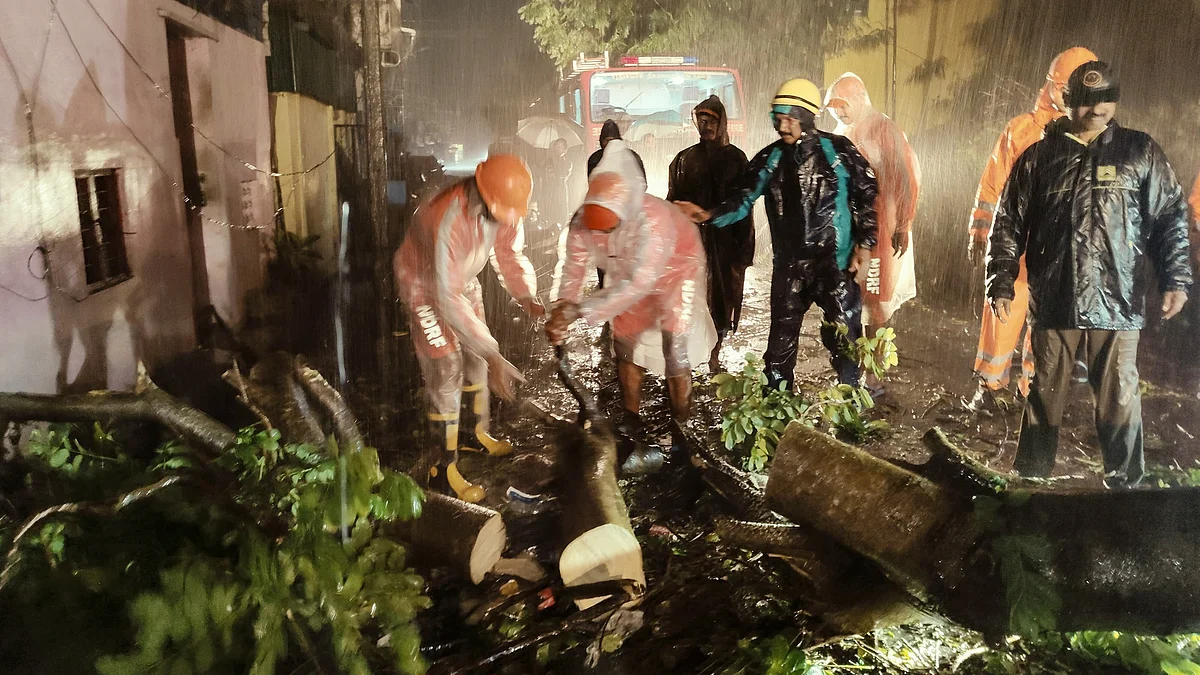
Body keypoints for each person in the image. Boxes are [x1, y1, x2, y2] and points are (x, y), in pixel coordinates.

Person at [986, 61, 1191, 489]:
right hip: (1056, 297)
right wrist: (1000, 280)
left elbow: (1171, 214)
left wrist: (1176, 277)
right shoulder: (1040, 156)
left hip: (1119, 299)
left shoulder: (1139, 151)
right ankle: (1031, 480)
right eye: (1087, 101)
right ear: (1067, 101)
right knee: (1043, 393)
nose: (1097, 110)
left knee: (1120, 397)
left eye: (1106, 100)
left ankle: (1125, 485)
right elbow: (1007, 222)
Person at [677, 79, 878, 390]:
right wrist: (708, 215)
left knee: (845, 340)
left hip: (834, 266)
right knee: (779, 350)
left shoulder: (837, 151)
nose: (783, 126)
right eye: (778, 118)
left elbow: (866, 192)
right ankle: (778, 405)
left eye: (790, 118)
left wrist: (864, 245)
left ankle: (853, 401)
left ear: (808, 116)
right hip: (790, 268)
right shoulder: (772, 158)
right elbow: (743, 198)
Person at [394, 154, 545, 503]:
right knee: (446, 367)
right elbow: (444, 297)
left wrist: (526, 295)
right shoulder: (448, 216)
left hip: (461, 281)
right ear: (483, 193)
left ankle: (474, 434)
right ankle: (442, 468)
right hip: (424, 286)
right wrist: (495, 355)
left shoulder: (504, 205)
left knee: (477, 356)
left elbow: (508, 254)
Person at [547, 140, 705, 455]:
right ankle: (631, 420)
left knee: (674, 348)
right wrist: (562, 306)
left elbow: (639, 283)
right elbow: (573, 266)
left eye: (609, 228)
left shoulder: (653, 220)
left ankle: (682, 430)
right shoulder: (583, 218)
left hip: (677, 268)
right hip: (628, 269)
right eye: (598, 230)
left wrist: (580, 310)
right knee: (625, 345)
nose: (601, 236)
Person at [967, 47, 1099, 411]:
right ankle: (991, 386)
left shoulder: (1095, 137)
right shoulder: (1021, 129)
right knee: (1003, 311)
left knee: (1046, 326)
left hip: (1059, 253)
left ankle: (1032, 390)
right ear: (1053, 86)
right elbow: (993, 185)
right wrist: (981, 232)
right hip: (1019, 247)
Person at [824, 73, 920, 394]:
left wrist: (904, 222)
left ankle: (875, 372)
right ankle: (854, 368)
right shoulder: (841, 133)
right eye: (834, 108)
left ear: (860, 97)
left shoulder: (884, 129)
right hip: (852, 233)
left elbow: (905, 175)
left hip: (881, 229)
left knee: (877, 302)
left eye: (843, 105)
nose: (839, 112)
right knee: (852, 298)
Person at [667, 95, 754, 373]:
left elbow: (743, 208)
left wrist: (742, 254)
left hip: (725, 245)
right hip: (693, 244)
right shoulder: (684, 159)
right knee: (690, 300)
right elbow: (673, 202)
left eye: (711, 120)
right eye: (701, 119)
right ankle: (691, 354)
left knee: (722, 301)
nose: (705, 125)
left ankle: (715, 353)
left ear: (722, 122)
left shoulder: (737, 159)